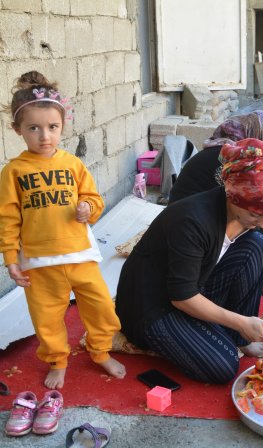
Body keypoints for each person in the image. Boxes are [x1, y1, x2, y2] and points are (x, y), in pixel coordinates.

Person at [115, 138, 263, 384]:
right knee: (222, 367)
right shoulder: (191, 220)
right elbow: (182, 296)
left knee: (258, 244)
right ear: (233, 198)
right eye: (256, 215)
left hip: (196, 286)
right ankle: (230, 333)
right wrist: (241, 322)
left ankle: (237, 337)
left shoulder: (249, 213)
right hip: (153, 307)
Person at [0, 71, 126, 389]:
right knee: (47, 319)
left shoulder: (72, 165)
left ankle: (100, 351)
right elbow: (8, 218)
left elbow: (93, 199)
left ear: (62, 127)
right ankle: (58, 360)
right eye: (34, 128)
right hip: (40, 264)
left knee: (101, 308)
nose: (45, 136)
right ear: (17, 130)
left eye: (52, 127)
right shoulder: (14, 171)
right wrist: (10, 258)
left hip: (80, 255)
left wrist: (88, 208)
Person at [169, 110, 263, 260]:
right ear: (258, 133)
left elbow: (260, 204)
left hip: (210, 216)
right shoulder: (228, 159)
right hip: (189, 227)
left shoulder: (233, 154)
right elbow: (252, 203)